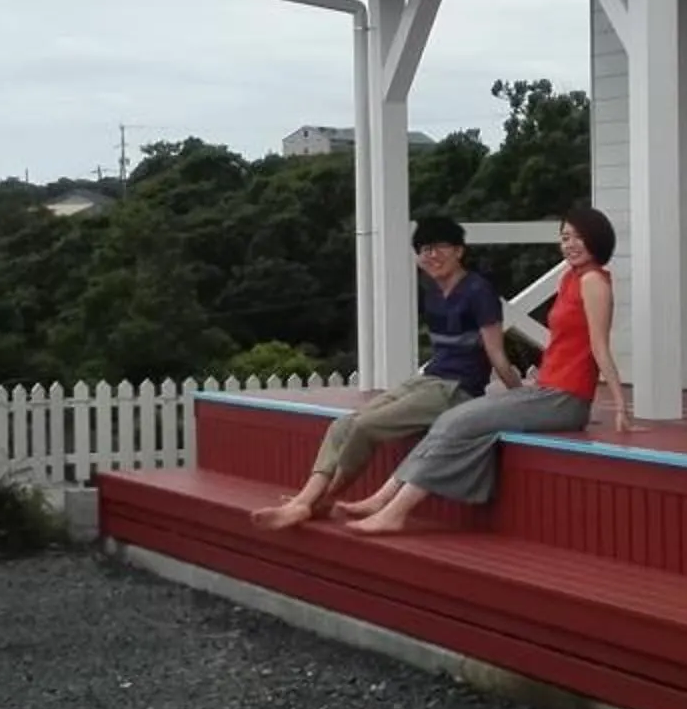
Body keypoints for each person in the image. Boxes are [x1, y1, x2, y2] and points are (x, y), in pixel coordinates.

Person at [341, 206, 627, 536]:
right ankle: (383, 499)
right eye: (565, 237)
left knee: (457, 420)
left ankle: (394, 511)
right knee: (453, 419)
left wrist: (619, 405)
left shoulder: (594, 282)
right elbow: (565, 344)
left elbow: (599, 347)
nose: (570, 244)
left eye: (578, 237)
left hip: (565, 398)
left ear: (597, 239)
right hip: (545, 389)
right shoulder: (570, 278)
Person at [250, 217, 518, 530]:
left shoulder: (478, 291)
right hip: (430, 380)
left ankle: (318, 501)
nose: (432, 255)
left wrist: (519, 397)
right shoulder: (433, 292)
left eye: (440, 247)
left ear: (459, 251)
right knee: (342, 425)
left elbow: (496, 354)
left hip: (456, 389)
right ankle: (303, 501)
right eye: (424, 249)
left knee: (366, 426)